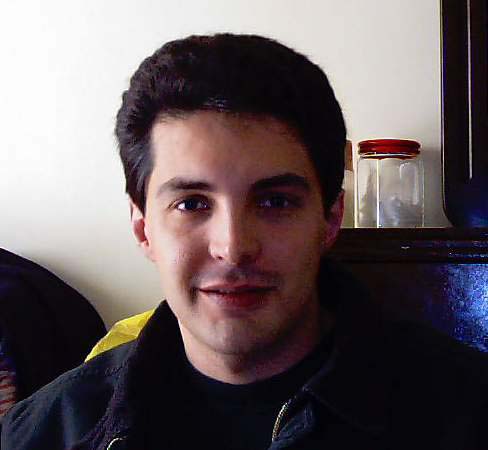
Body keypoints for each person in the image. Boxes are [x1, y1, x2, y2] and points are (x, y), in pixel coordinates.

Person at [2, 33, 487, 450]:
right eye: (192, 203)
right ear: (143, 227)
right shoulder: (41, 433)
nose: (233, 248)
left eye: (275, 202)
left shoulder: (467, 412)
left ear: (330, 219)